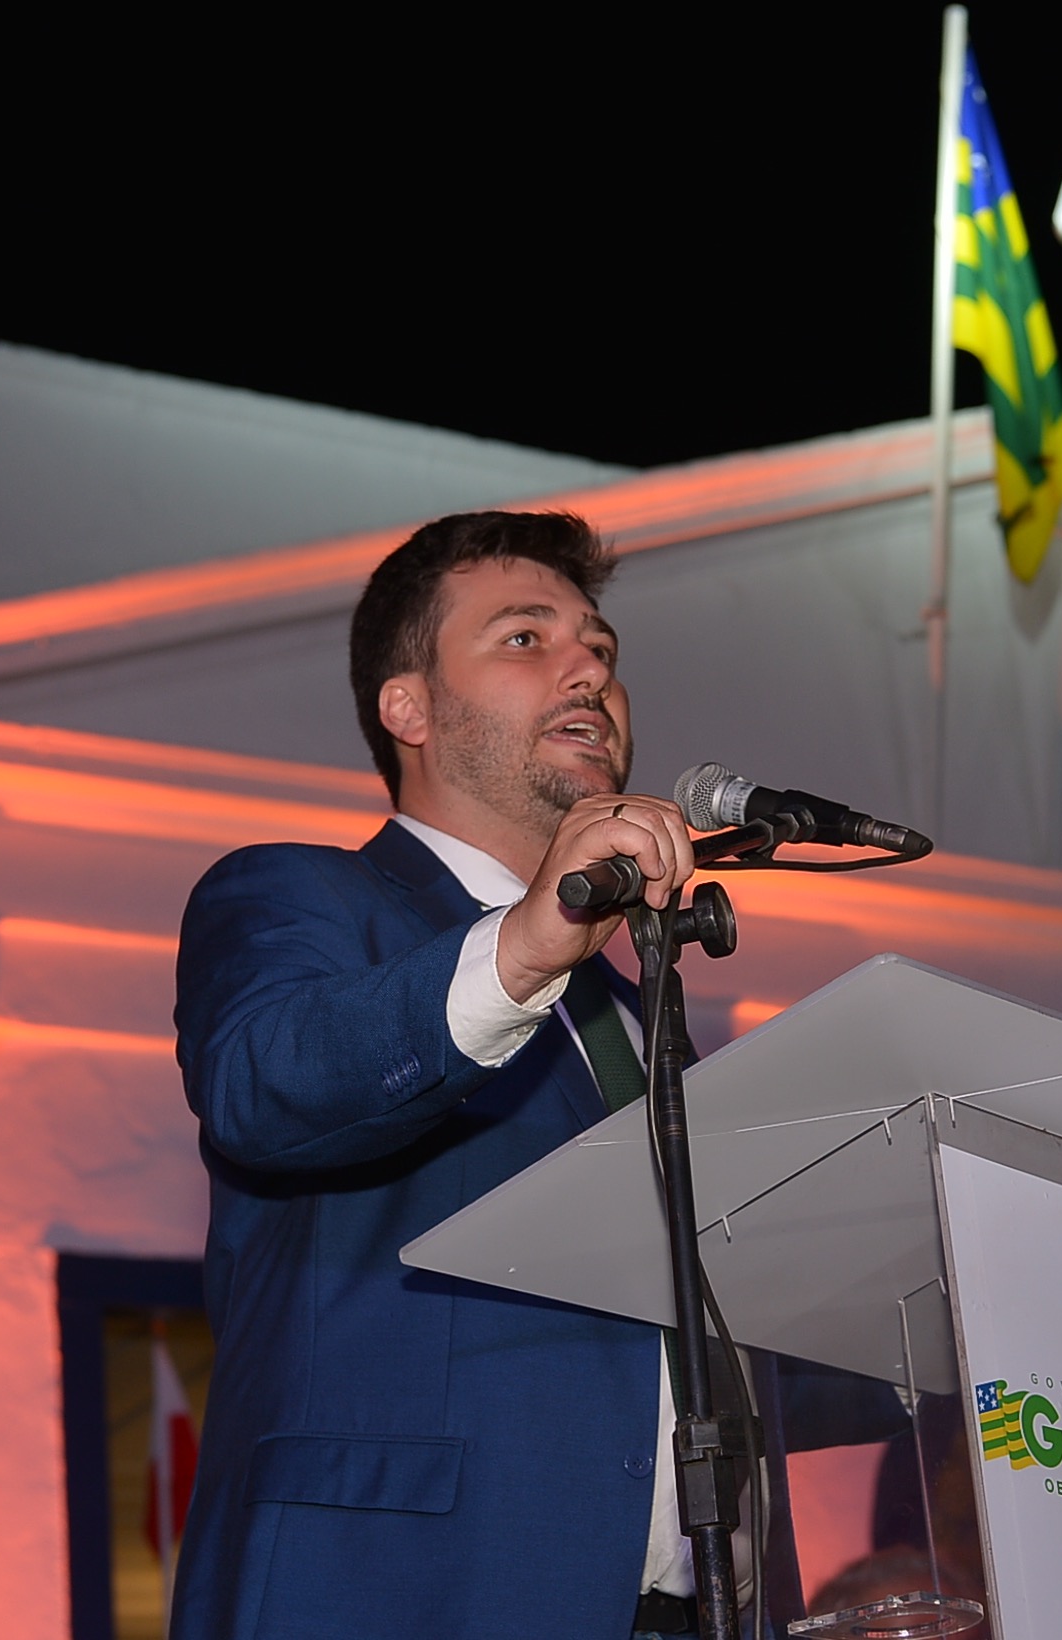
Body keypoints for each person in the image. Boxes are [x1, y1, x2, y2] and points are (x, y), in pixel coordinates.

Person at [170, 511, 710, 1639]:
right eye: (525, 638)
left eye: (600, 647)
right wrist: (524, 948)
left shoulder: (632, 1010)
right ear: (407, 707)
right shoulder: (294, 895)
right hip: (392, 1591)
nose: (588, 670)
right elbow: (263, 1082)